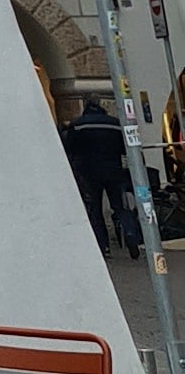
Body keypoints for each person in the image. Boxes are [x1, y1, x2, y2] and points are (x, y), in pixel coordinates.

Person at [62, 92, 139, 259]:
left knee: (95, 210)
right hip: (114, 170)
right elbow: (125, 149)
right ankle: (131, 235)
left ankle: (104, 246)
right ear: (101, 104)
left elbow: (70, 149)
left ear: (85, 104)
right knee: (120, 207)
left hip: (89, 173)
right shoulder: (115, 124)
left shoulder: (78, 125)